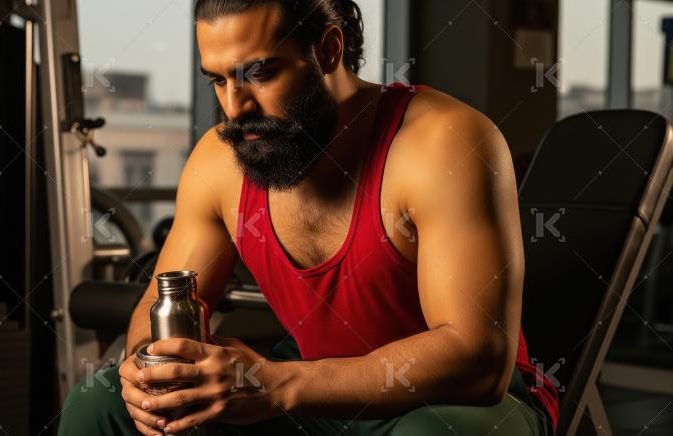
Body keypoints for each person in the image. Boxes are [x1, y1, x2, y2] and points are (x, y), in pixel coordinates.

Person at [58, 1, 559, 435]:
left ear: (328, 49)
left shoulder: (444, 141)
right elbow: (159, 303)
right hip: (314, 393)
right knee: (99, 402)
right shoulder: (218, 162)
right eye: (218, 80)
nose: (236, 107)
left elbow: (477, 360)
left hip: (456, 406)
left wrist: (280, 384)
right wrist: (147, 369)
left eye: (260, 73)